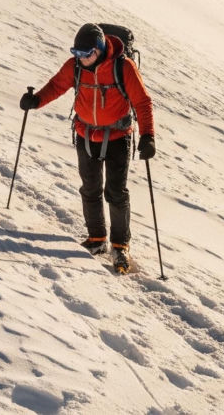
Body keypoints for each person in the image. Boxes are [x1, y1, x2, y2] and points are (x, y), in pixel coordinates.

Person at [20, 23, 155, 273]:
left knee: (115, 192)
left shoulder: (123, 68)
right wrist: (36, 100)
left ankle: (120, 245)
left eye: (86, 54)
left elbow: (143, 102)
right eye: (77, 53)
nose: (81, 59)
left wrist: (148, 137)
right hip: (85, 134)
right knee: (90, 188)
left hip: (118, 136)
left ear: (100, 49)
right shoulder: (74, 67)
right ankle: (96, 239)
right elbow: (56, 86)